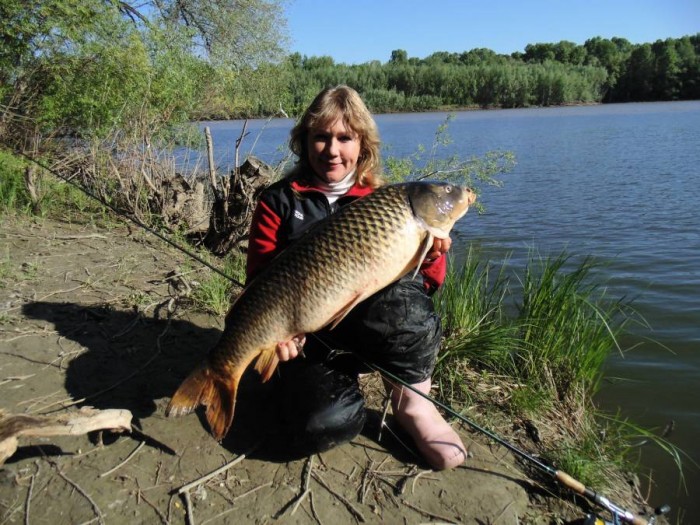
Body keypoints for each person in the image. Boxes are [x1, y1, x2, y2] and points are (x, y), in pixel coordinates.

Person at [246, 85, 467, 470]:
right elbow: (259, 280)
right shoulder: (279, 201)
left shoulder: (386, 201)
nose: (332, 150)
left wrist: (432, 254)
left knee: (406, 301)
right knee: (322, 423)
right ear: (304, 141)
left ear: (363, 145)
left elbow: (426, 285)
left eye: (345, 138)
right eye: (321, 137)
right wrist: (278, 335)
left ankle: (412, 405)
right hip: (307, 337)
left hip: (367, 329)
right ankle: (288, 380)